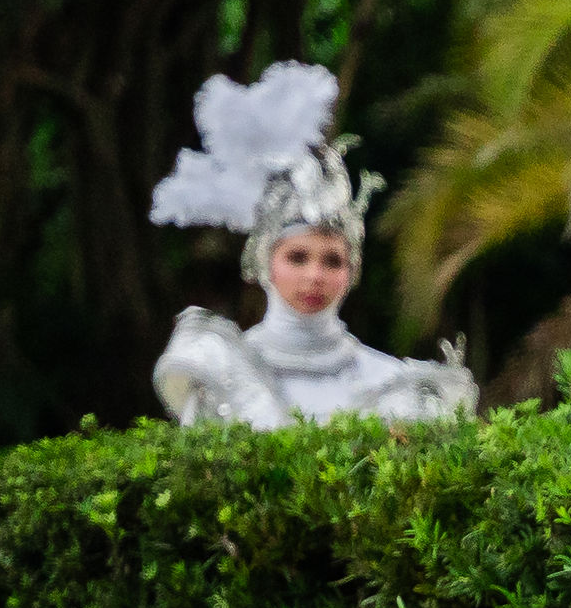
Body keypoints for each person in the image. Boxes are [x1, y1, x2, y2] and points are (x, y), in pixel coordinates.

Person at [146, 62, 478, 429]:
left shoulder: (393, 386)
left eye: (333, 261)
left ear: (352, 271)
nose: (315, 276)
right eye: (297, 257)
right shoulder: (214, 369)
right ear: (263, 261)